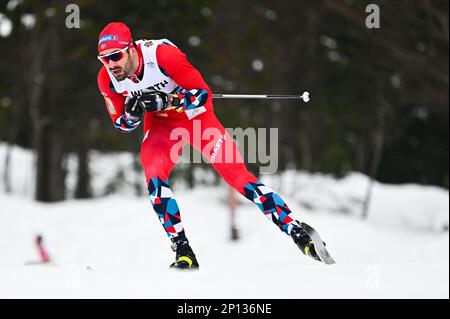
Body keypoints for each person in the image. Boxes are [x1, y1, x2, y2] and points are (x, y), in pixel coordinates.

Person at [97, 22, 322, 270]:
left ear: (130, 49)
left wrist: (168, 99)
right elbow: (122, 124)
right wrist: (132, 114)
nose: (111, 64)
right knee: (154, 178)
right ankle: (183, 251)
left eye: (115, 56)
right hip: (161, 126)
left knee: (240, 179)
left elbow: (202, 95)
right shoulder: (106, 79)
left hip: (195, 117)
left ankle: (297, 232)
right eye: (104, 59)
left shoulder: (161, 55)